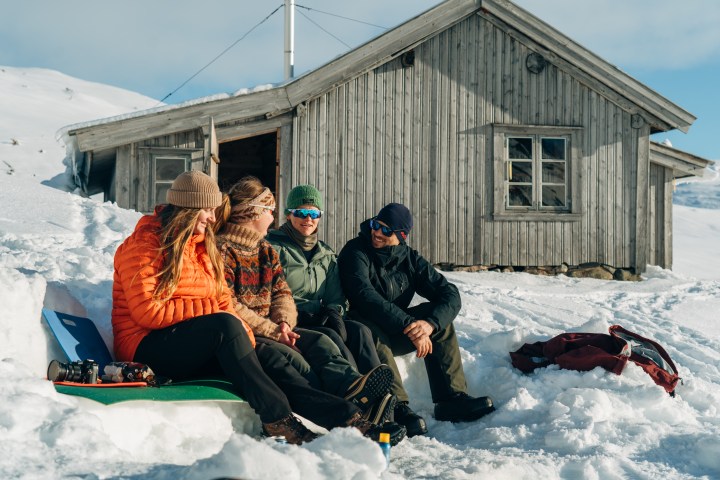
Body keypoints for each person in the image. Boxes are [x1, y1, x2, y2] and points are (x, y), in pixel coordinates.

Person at [111, 170, 404, 445]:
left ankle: (350, 420)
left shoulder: (201, 245)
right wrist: (216, 311)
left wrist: (250, 337)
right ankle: (278, 418)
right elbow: (149, 312)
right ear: (188, 208)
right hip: (145, 346)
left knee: (269, 359)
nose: (213, 218)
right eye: (208, 210)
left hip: (196, 339)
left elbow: (223, 298)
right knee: (225, 326)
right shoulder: (144, 246)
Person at [214, 176, 400, 429]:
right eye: (270, 211)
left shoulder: (265, 249)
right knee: (303, 359)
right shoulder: (227, 249)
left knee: (329, 339)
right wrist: (273, 329)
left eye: (314, 213)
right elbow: (228, 303)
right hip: (250, 331)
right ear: (254, 214)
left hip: (277, 326)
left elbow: (282, 293)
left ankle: (362, 393)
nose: (273, 217)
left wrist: (284, 322)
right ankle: (350, 413)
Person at [337, 202, 496, 437]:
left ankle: (451, 399)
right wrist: (409, 325)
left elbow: (450, 294)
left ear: (401, 236)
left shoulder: (409, 259)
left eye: (387, 231)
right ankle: (396, 406)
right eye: (375, 225)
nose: (378, 233)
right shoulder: (355, 251)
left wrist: (428, 324)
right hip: (362, 335)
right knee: (370, 329)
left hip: (396, 330)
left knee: (439, 321)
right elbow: (365, 297)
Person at [266, 184, 381, 376]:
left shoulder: (325, 254)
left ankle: (385, 392)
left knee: (360, 331)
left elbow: (335, 296)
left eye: (315, 214)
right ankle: (357, 385)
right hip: (289, 320)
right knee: (328, 337)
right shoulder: (274, 248)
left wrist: (334, 312)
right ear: (288, 214)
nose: (308, 219)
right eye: (302, 213)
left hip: (319, 316)